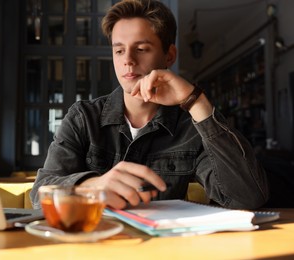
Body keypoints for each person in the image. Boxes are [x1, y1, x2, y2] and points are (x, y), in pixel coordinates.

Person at [30, 0, 269, 210]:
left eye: (141, 49)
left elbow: (247, 198)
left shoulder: (189, 126)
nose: (128, 61)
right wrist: (93, 185)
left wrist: (196, 101)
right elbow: (40, 192)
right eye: (119, 50)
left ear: (169, 55)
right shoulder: (83, 117)